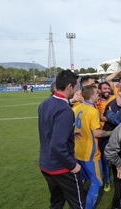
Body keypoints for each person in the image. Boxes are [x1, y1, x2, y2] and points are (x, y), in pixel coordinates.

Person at [38, 69, 86, 209]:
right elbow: (57, 145)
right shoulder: (65, 110)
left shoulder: (44, 103)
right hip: (62, 168)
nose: (78, 90)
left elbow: (49, 130)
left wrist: (69, 133)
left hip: (46, 164)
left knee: (56, 203)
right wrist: (73, 165)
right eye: (77, 87)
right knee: (78, 205)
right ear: (69, 87)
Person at [72, 85, 113, 209]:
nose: (98, 95)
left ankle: (79, 202)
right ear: (91, 96)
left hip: (77, 150)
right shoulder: (93, 111)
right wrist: (113, 132)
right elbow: (97, 133)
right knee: (96, 182)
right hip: (90, 153)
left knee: (83, 178)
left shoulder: (77, 108)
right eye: (96, 93)